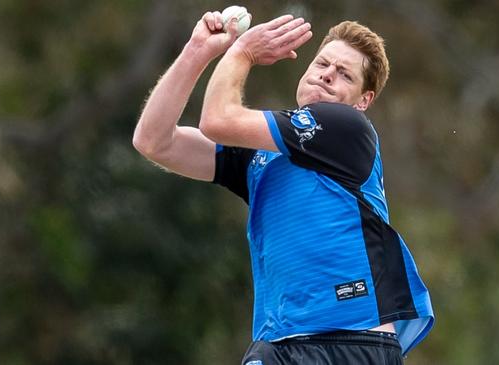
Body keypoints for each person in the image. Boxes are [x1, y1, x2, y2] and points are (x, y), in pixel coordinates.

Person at [133, 10, 434, 365]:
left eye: (344, 75)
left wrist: (241, 53)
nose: (327, 74)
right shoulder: (263, 152)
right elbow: (154, 140)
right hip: (280, 340)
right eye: (323, 63)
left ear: (362, 101)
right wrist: (197, 51)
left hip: (348, 339)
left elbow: (217, 120)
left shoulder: (347, 126)